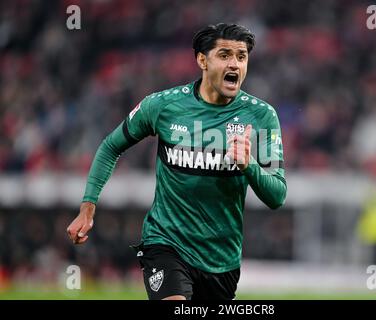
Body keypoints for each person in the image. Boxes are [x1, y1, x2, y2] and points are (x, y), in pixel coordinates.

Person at [67, 23, 287, 300]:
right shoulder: (162, 106)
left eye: (241, 57)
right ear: (202, 60)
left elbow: (277, 195)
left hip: (222, 260)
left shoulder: (262, 116)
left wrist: (249, 165)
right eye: (225, 55)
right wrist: (88, 206)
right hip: (166, 243)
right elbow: (111, 146)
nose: (234, 64)